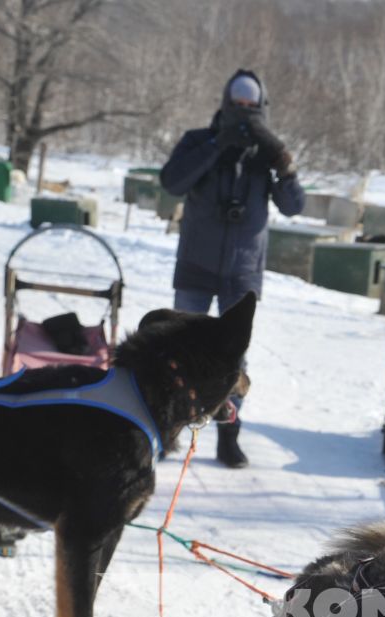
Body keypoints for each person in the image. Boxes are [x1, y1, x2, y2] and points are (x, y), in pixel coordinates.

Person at [159, 69, 304, 469]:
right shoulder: (198, 140)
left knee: (234, 358)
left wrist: (283, 164)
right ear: (225, 103)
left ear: (261, 108)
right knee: (178, 347)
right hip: (196, 263)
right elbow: (172, 182)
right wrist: (215, 145)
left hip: (242, 269)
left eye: (250, 106)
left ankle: (229, 436)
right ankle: (168, 429)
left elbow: (294, 206)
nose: (243, 113)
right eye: (236, 105)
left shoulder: (264, 153)